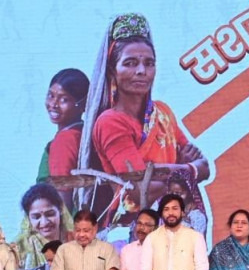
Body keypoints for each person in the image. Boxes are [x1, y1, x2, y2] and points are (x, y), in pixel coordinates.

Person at [80, 12, 211, 211]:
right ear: (112, 70)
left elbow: (205, 167)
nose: (142, 71)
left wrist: (157, 171)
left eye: (149, 63)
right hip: (134, 224)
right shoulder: (110, 122)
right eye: (130, 63)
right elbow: (141, 192)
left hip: (177, 221)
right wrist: (189, 171)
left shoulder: (163, 111)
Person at [141, 194, 209, 270]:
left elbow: (203, 269)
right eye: (166, 209)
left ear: (182, 212)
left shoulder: (195, 237)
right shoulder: (151, 238)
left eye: (175, 208)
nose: (171, 213)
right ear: (161, 213)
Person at [15, 184, 73, 270]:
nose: (44, 222)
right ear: (28, 218)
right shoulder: (20, 249)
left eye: (50, 214)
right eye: (36, 217)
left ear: (60, 210)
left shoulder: (75, 241)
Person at [39, 68, 90, 180]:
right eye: (51, 96)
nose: (53, 104)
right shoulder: (83, 131)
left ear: (83, 104)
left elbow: (62, 188)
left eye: (64, 100)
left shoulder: (65, 139)